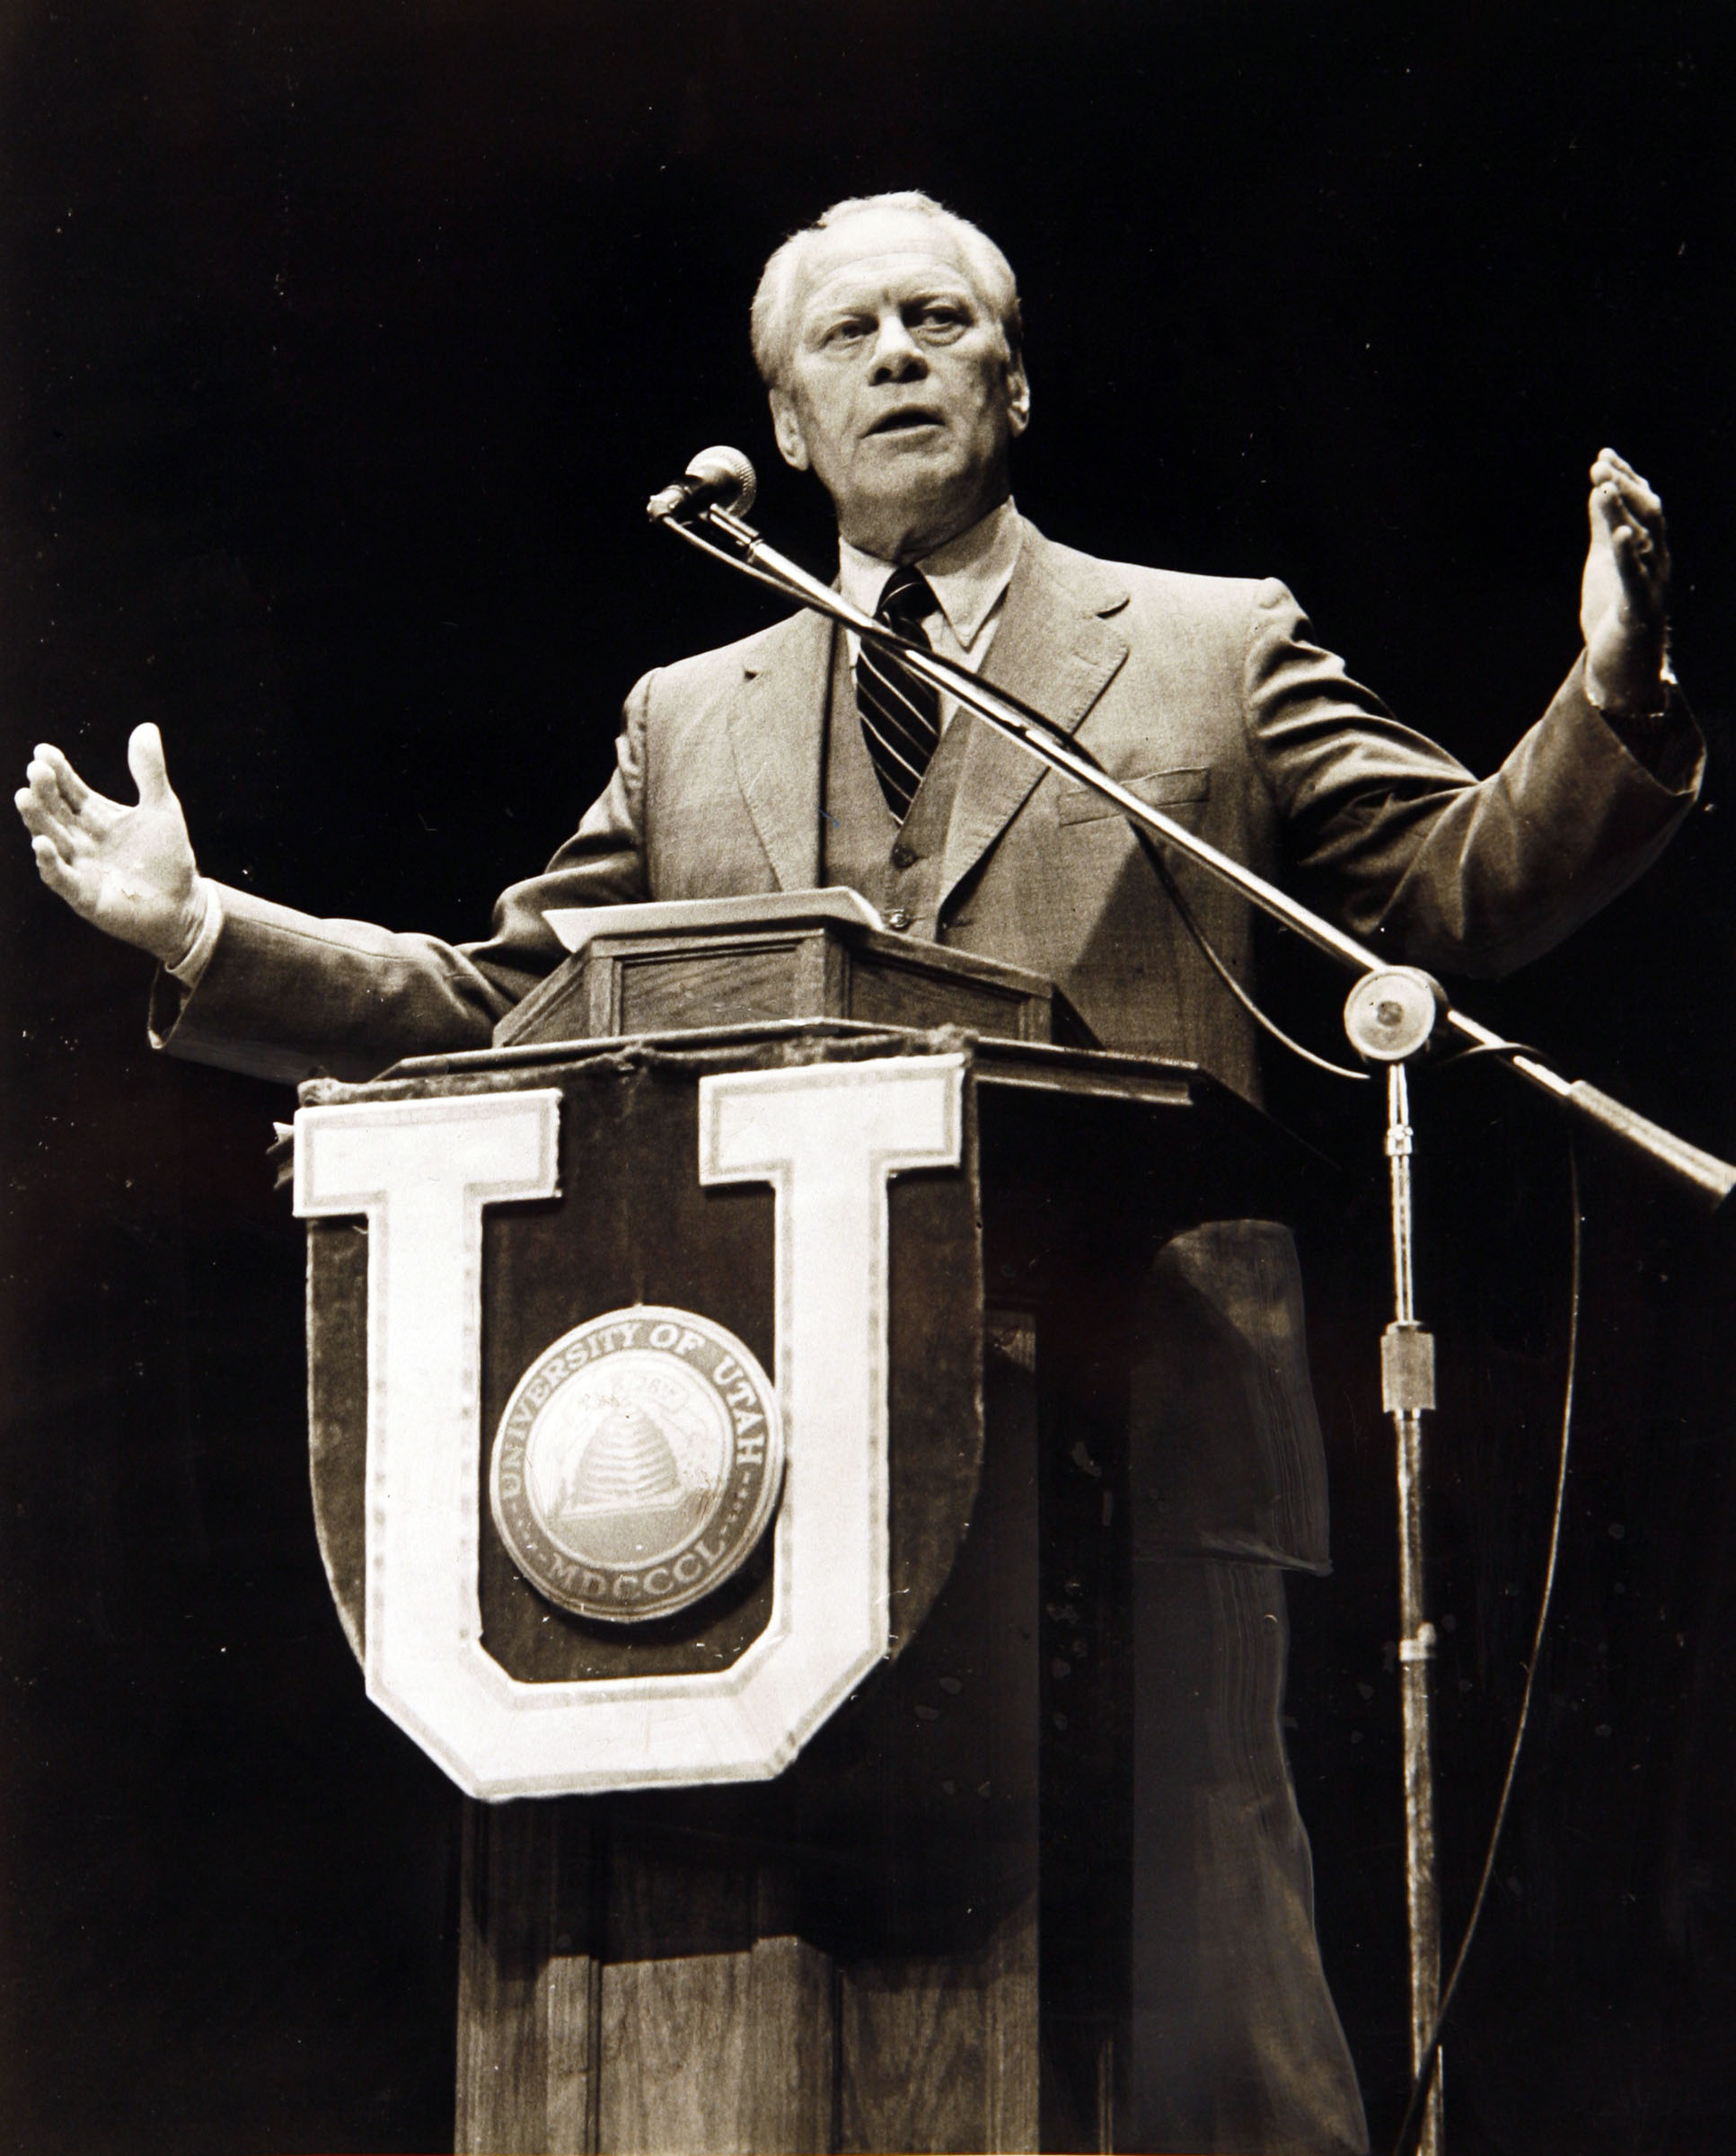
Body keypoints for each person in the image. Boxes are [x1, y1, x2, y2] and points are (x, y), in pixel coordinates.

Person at [14, 192, 1697, 2152]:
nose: (894, 353)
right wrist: (207, 930)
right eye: (846, 336)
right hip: (791, 1479)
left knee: (1209, 2020)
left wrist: (1614, 699)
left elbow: (1458, 886)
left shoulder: (1207, 644)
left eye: (936, 318)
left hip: (1143, 1425)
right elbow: (500, 1002)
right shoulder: (685, 717)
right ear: (790, 429)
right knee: (845, 2019)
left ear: (1014, 381)